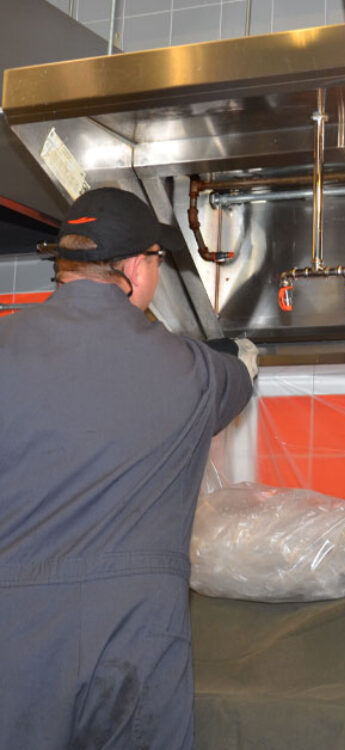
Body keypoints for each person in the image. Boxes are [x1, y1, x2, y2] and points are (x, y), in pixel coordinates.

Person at [0, 187, 256, 749]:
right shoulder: (191, 372)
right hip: (135, 639)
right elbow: (238, 377)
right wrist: (236, 353)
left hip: (14, 638)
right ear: (139, 268)